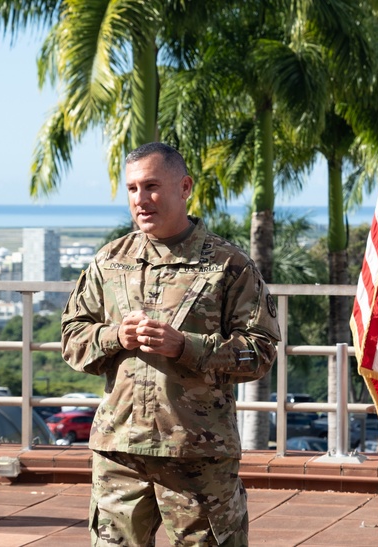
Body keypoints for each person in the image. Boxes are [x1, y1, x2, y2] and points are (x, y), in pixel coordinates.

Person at [61, 142, 280, 546]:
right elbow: (72, 337)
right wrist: (115, 337)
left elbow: (261, 352)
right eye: (132, 189)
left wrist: (187, 347)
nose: (141, 200)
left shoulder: (228, 266)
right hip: (120, 451)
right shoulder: (110, 262)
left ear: (184, 188)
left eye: (152, 186)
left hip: (196, 453)